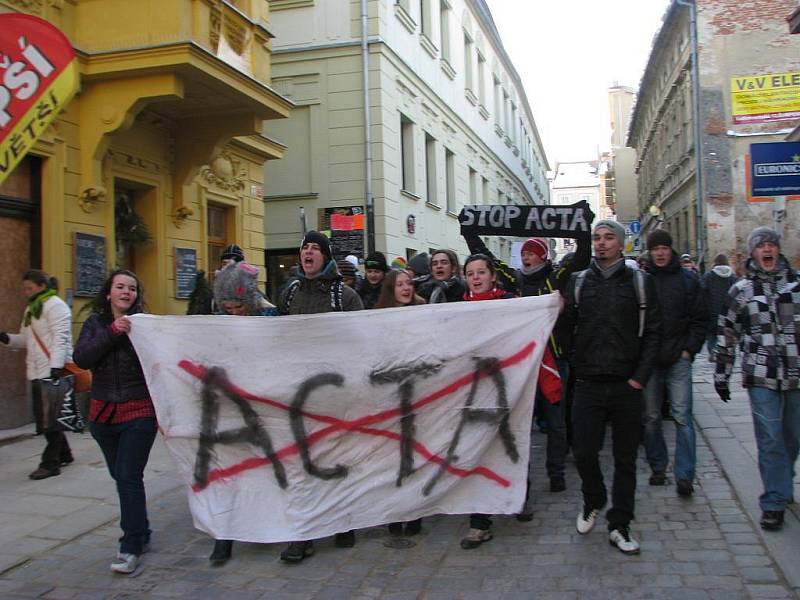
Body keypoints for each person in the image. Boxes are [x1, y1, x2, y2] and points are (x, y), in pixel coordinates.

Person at [464, 231, 590, 499]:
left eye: (531, 253)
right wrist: (469, 232)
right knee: (521, 424)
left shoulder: (555, 277)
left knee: (556, 423)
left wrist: (581, 230)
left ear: (542, 256)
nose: (526, 258)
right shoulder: (515, 281)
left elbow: (580, 258)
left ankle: (556, 473)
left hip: (552, 361)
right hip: (521, 364)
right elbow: (489, 260)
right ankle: (522, 480)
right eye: (523, 254)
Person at [564, 220, 661, 555]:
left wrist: (639, 378)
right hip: (589, 383)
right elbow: (565, 328)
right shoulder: (577, 282)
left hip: (626, 384)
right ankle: (594, 498)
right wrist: (575, 364)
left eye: (608, 238)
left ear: (621, 244)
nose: (601, 243)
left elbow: (653, 335)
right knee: (584, 452)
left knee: (625, 460)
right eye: (596, 238)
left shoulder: (640, 282)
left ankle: (620, 524)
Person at [457, 254, 562, 548]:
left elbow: (534, 337)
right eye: (470, 273)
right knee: (477, 453)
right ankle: (479, 522)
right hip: (475, 393)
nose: (476, 278)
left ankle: (518, 497)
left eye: (481, 272)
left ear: (493, 276)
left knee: (514, 447)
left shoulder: (513, 305)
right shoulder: (457, 311)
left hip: (512, 389)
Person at [278, 231, 363, 562]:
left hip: (334, 396)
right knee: (301, 466)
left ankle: (342, 520)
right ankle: (305, 534)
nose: (308, 252)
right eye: (304, 248)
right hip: (298, 396)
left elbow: (362, 341)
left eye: (315, 248)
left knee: (336, 462)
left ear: (326, 257)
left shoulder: (347, 296)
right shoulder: (290, 293)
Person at [715, 227, 800, 532]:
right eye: (761, 246)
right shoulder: (741, 290)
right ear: (752, 252)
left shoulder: (796, 286)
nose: (767, 250)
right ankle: (773, 502)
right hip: (760, 375)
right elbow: (727, 334)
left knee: (792, 437)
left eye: (771, 245)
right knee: (770, 438)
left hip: (795, 375)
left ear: (778, 250)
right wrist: (721, 375)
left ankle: (783, 482)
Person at [73, 269, 156, 575]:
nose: (126, 292)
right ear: (108, 293)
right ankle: (142, 530)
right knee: (121, 476)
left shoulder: (145, 325)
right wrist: (112, 332)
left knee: (127, 475)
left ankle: (131, 545)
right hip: (103, 416)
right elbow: (81, 358)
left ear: (136, 295)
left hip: (139, 411)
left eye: (131, 288)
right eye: (120, 287)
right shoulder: (96, 323)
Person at [206, 261, 277, 565]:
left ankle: (267, 527)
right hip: (230, 407)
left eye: (237, 307)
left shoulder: (269, 314)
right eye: (228, 307)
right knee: (229, 474)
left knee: (267, 471)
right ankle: (225, 536)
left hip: (264, 405)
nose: (233, 312)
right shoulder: (217, 320)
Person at [642, 229, 708, 497]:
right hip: (649, 359)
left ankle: (685, 474)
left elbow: (701, 318)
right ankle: (658, 466)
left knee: (682, 417)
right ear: (650, 251)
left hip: (678, 357)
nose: (660, 253)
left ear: (671, 250)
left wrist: (689, 350)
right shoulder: (641, 280)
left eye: (664, 248)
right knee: (650, 417)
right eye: (655, 248)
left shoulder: (688, 280)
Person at [0, 270, 74, 480]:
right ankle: (65, 453)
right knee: (47, 417)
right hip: (36, 370)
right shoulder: (31, 309)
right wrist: (6, 338)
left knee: (49, 419)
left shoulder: (56, 306)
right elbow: (25, 340)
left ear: (42, 286)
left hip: (52, 370)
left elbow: (61, 338)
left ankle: (51, 464)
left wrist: (56, 367)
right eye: (24, 289)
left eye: (29, 288)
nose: (26, 292)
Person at [374, 268, 425, 536]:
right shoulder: (378, 319)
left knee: (414, 455)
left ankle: (415, 511)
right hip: (390, 397)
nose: (405, 288)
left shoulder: (424, 313)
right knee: (392, 458)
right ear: (390, 289)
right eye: (399, 284)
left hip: (417, 395)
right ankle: (395, 512)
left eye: (409, 283)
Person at [701, 253, 738, 355]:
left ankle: (713, 353)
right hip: (728, 315)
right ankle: (724, 354)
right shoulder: (733, 278)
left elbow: (701, 294)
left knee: (712, 337)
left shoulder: (708, 277)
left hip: (712, 314)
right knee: (726, 337)